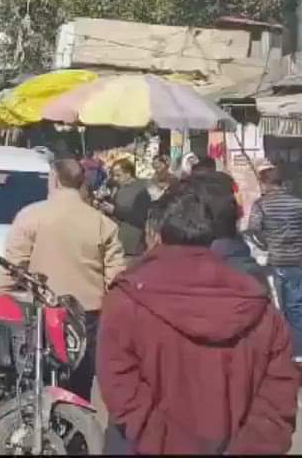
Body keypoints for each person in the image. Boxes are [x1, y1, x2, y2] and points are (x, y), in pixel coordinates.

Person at [98, 182, 299, 454]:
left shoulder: (126, 300)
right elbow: (278, 395)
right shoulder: (259, 303)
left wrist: (159, 440)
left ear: (154, 234)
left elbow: (120, 387)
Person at [0, 158, 127, 402]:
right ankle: (78, 430)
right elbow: (116, 277)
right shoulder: (102, 224)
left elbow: (12, 269)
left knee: (38, 381)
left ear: (53, 179)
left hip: (41, 313)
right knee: (80, 384)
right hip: (87, 317)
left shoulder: (31, 217)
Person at [246, 158, 302, 360]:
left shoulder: (261, 205)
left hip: (273, 262)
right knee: (296, 309)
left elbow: (253, 232)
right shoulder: (298, 203)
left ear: (265, 183)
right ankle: (299, 354)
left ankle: (280, 353)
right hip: (296, 263)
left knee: (276, 309)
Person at [96, 158, 151, 261]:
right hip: (118, 244)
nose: (115, 179)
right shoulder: (119, 188)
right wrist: (103, 201)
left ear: (128, 174)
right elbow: (116, 207)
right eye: (114, 175)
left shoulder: (141, 191)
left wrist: (115, 211)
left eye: (118, 175)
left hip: (132, 247)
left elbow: (140, 219)